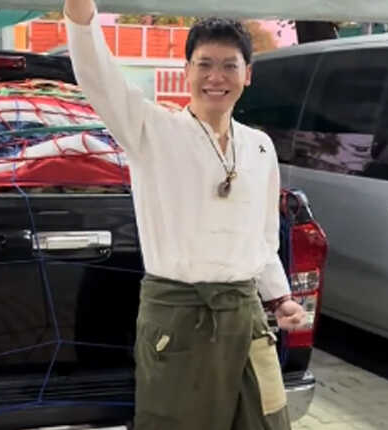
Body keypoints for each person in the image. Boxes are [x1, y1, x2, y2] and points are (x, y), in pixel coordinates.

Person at [64, 1, 306, 429]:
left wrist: (280, 297)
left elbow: (264, 237)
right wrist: (80, 12)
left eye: (229, 66)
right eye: (204, 64)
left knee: (267, 421)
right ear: (186, 71)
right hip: (179, 319)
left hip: (246, 316)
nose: (216, 77)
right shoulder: (152, 130)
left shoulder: (259, 146)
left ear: (247, 74)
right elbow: (98, 77)